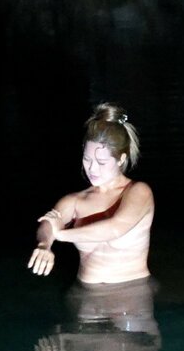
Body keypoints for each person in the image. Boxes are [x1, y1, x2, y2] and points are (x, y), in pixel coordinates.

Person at [28, 102, 154, 285]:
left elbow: (115, 228)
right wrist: (45, 244)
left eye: (101, 162)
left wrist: (61, 235)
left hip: (132, 292)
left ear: (121, 159)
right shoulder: (75, 200)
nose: (92, 169)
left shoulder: (139, 192)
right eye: (87, 159)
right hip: (86, 293)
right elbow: (48, 222)